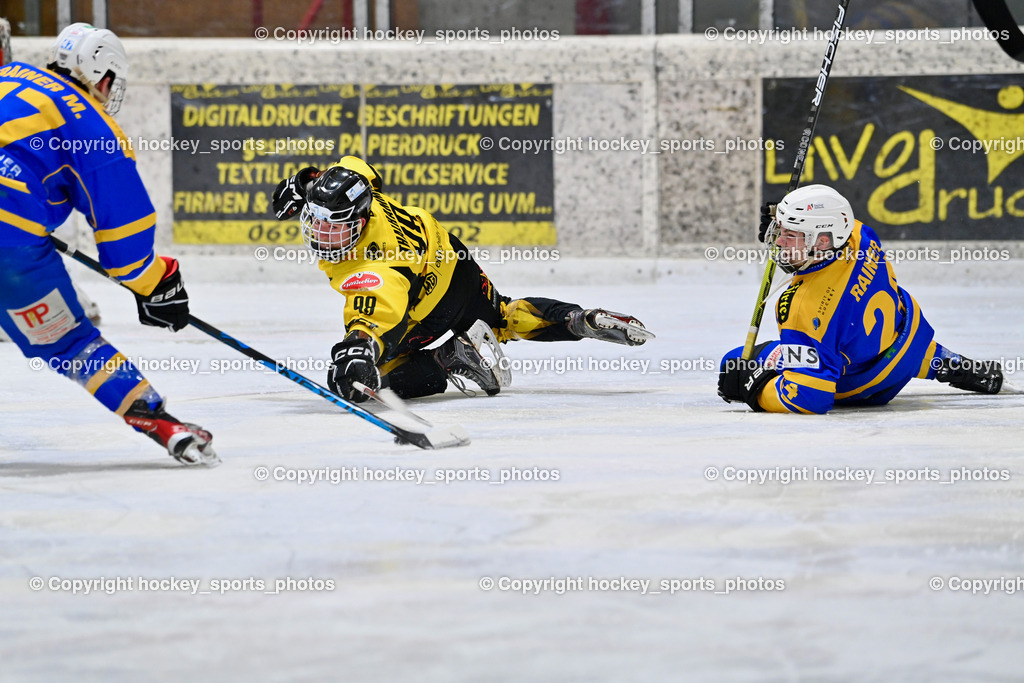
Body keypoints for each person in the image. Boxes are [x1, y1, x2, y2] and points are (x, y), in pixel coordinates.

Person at [0, 23, 217, 465]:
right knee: (70, 343)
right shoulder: (91, 123)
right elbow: (125, 244)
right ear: (103, 76)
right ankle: (160, 423)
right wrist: (157, 285)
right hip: (11, 246)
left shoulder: (8, 75)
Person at [271, 155, 654, 402]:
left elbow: (376, 312)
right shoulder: (363, 189)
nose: (320, 234)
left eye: (333, 226)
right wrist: (307, 181)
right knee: (502, 316)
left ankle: (447, 357)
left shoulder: (376, 265)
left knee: (371, 379)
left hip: (422, 303)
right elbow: (358, 170)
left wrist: (357, 349)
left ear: (360, 220)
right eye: (315, 219)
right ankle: (577, 319)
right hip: (454, 262)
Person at [718, 184, 1002, 414]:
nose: (778, 242)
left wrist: (754, 390)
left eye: (790, 235)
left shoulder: (802, 309)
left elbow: (809, 398)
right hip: (907, 344)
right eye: (780, 232)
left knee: (733, 363)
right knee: (864, 335)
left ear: (823, 242)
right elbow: (830, 213)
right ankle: (952, 365)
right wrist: (785, 216)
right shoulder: (860, 236)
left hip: (864, 387)